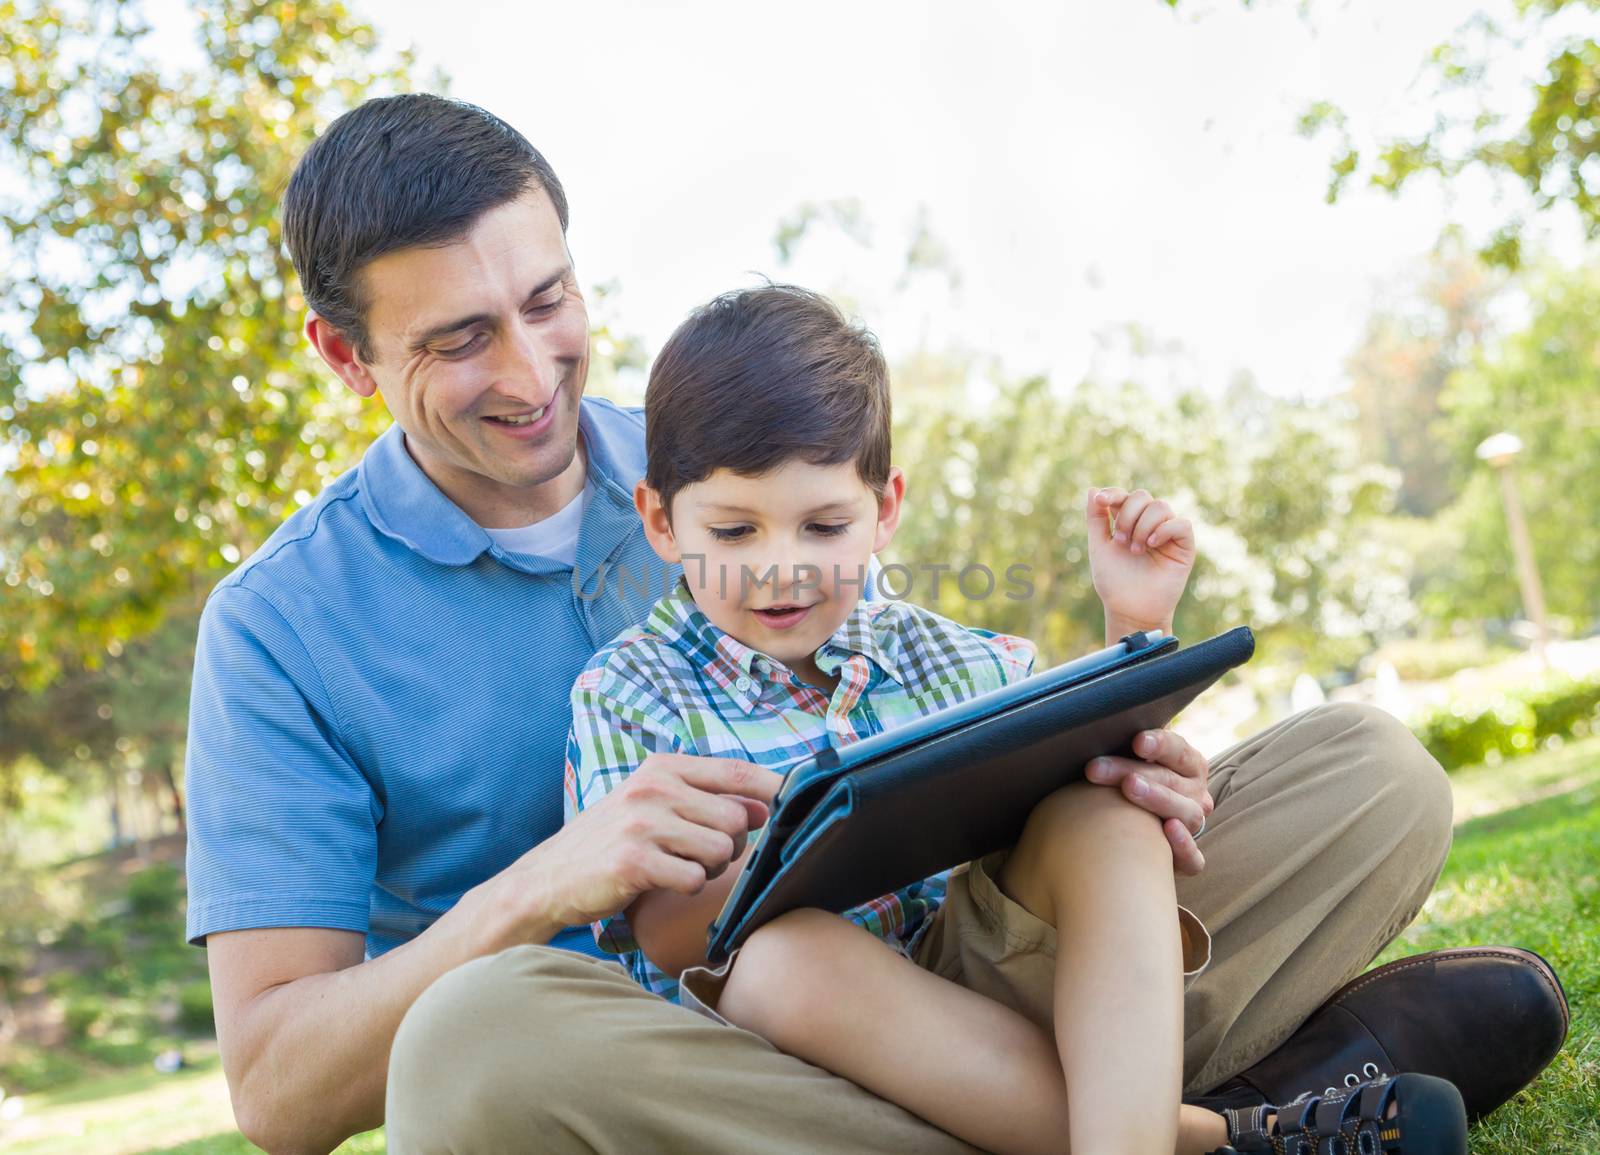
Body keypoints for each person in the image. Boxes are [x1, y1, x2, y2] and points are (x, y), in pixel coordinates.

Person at [183, 93, 1566, 1155]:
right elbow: (279, 1088)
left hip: (940, 970)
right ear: (344, 353)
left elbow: (941, 704)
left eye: (548, 303)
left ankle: (1130, 1109)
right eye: (457, 339)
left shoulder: (723, 457)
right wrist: (539, 884)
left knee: (1367, 773)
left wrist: (1120, 752)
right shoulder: (279, 630)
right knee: (469, 1045)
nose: (533, 371)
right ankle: (1228, 1119)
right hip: (680, 1062)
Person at [562, 284, 1472, 1155]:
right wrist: (802, 844)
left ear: (884, 512)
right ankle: (1214, 1133)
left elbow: (1089, 832)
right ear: (659, 520)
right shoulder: (629, 691)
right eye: (734, 532)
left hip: (1005, 994)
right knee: (779, 958)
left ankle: (1114, 1121)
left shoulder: (966, 662)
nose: (781, 568)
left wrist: (1137, 635)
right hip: (797, 1071)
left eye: (823, 527)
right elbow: (672, 938)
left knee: (1329, 771)